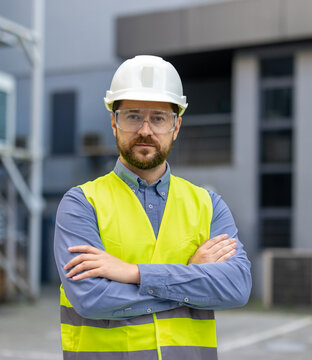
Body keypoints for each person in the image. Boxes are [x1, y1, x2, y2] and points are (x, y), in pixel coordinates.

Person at [54, 55, 251, 360]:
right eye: (133, 116)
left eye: (158, 118)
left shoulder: (208, 205)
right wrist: (191, 277)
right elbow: (91, 298)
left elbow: (236, 288)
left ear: (176, 126)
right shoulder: (81, 204)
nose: (145, 129)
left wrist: (133, 273)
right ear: (113, 122)